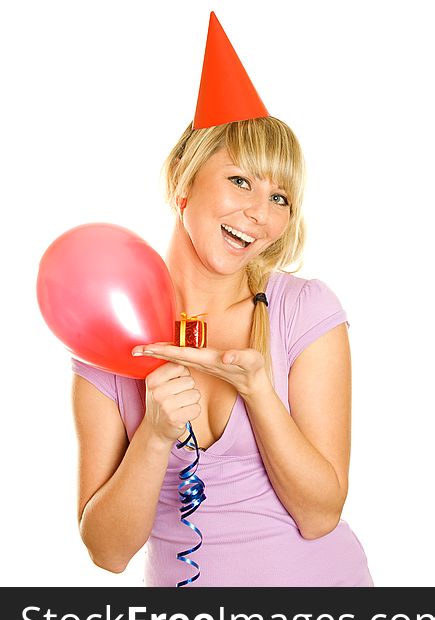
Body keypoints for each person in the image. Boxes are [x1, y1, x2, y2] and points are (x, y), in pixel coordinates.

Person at [70, 13, 373, 587]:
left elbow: (319, 513)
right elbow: (107, 552)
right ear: (184, 178)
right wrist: (155, 435)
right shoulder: (105, 332)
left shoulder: (302, 313)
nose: (261, 213)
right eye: (241, 181)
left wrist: (259, 392)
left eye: (280, 196)